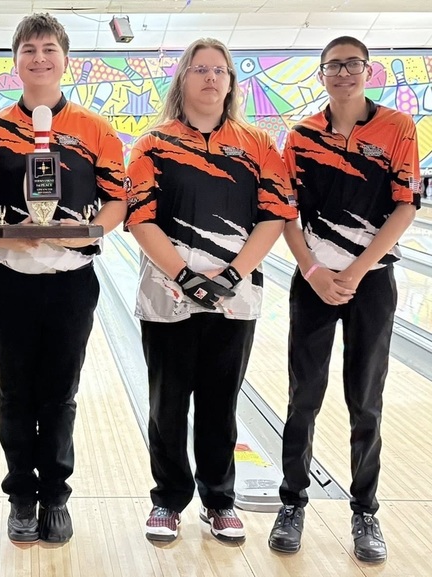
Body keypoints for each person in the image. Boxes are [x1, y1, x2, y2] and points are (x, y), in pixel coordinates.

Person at [0, 13, 127, 544]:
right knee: (15, 392)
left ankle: (56, 494)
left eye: (49, 48)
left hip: (71, 281)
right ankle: (21, 495)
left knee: (60, 394)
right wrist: (4, 235)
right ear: (15, 63)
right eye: (28, 49)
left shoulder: (96, 130)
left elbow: (120, 199)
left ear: (65, 59)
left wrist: (89, 233)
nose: (39, 57)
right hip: (10, 281)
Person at [126, 37, 297, 545]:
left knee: (221, 405)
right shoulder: (152, 144)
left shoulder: (257, 145)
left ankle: (219, 501)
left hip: (235, 296)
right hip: (166, 294)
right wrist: (183, 275)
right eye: (199, 69)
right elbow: (140, 218)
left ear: (230, 82)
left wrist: (229, 275)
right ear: (183, 79)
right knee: (167, 404)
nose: (209, 78)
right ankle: (167, 501)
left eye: (219, 70)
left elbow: (274, 215)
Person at [268, 36, 419, 563]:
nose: (343, 73)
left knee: (365, 400)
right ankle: (292, 504)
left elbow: (405, 207)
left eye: (352, 65)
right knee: (302, 396)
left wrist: (355, 269)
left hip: (370, 282)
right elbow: (287, 213)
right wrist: (312, 269)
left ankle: (365, 512)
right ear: (322, 75)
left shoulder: (398, 128)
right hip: (312, 282)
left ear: (368, 72)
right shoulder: (301, 135)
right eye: (333, 66)